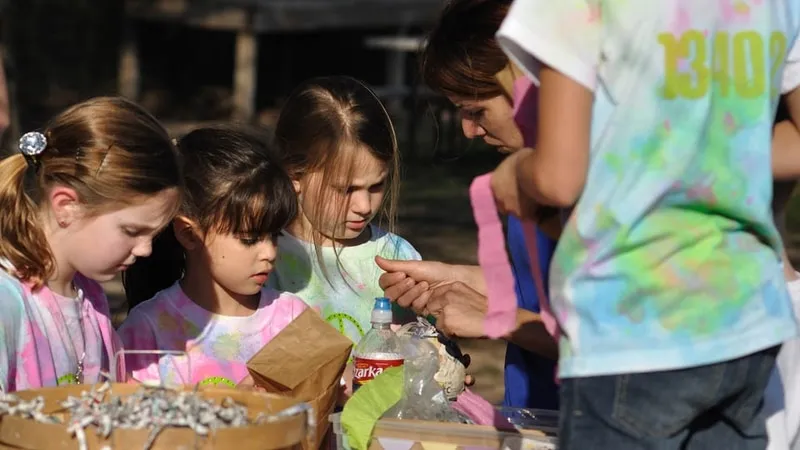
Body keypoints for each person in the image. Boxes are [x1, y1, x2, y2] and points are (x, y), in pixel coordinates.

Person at [490, 1, 800, 448]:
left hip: (634, 326)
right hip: (747, 322)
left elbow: (558, 179)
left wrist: (515, 174)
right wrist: (693, 157)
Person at [377, 0, 559, 410]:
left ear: (524, 82)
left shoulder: (593, 186)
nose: (469, 129)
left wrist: (499, 319)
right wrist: (456, 278)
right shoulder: (528, 173)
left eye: (477, 111)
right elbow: (544, 289)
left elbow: (623, 344)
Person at [0, 97, 181, 391]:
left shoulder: (91, 297)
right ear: (66, 206)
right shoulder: (7, 304)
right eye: (132, 230)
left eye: (153, 235)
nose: (145, 250)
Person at [120, 126, 307, 387]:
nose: (269, 252)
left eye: (275, 235)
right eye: (249, 238)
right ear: (189, 234)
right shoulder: (148, 330)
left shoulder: (292, 319)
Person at [268, 76, 420, 349]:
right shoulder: (265, 258)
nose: (364, 206)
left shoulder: (400, 258)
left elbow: (425, 347)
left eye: (376, 185)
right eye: (345, 189)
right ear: (295, 175)